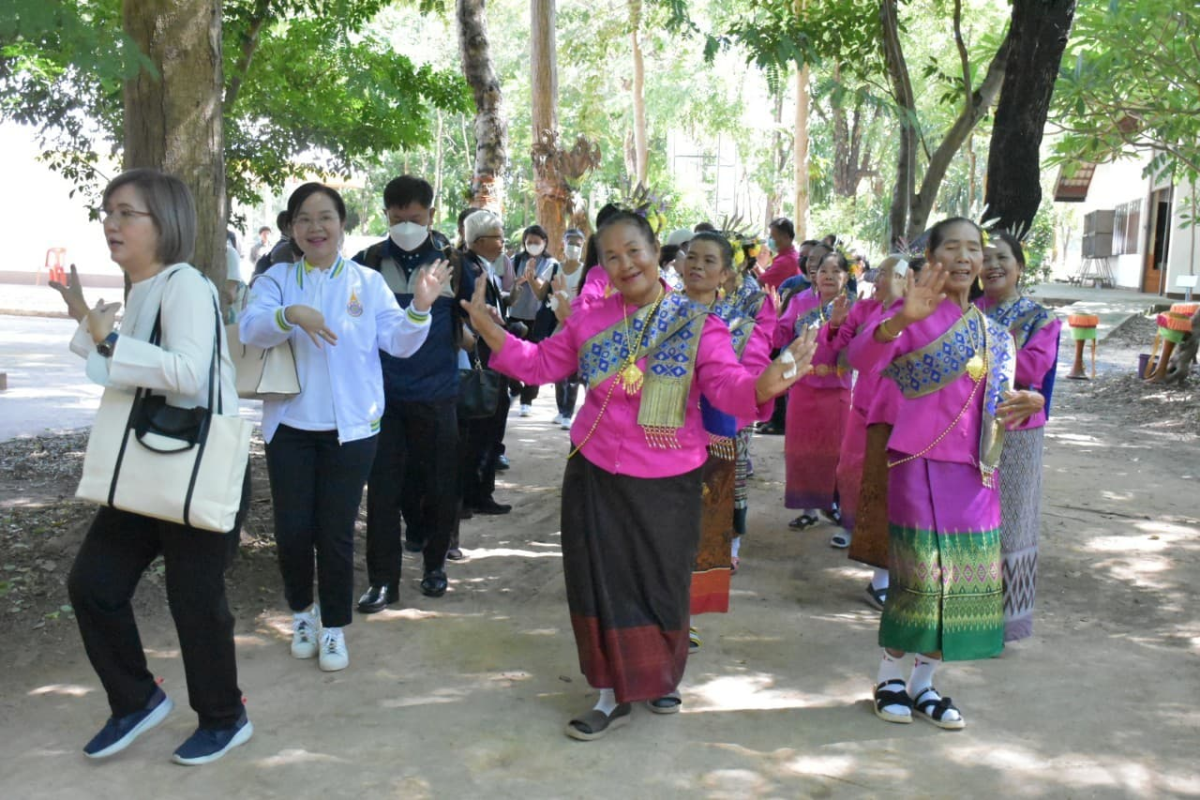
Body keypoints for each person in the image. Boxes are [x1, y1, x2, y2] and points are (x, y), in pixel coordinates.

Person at [458, 208, 818, 740]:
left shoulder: (701, 325)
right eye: (612, 256)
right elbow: (539, 365)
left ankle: (659, 675)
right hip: (594, 469)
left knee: (662, 581)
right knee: (599, 581)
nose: (626, 264)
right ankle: (609, 693)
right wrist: (493, 335)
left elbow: (728, 389)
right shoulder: (590, 319)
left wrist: (768, 384)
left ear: (655, 254)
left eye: (635, 251)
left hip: (669, 477)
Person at [53, 168, 253, 765]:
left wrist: (109, 342)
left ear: (163, 222)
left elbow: (188, 374)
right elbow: (117, 371)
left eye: (125, 212)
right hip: (145, 470)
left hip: (193, 467)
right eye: (107, 212)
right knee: (93, 585)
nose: (110, 224)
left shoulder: (185, 284)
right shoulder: (139, 291)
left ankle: (224, 717)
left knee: (194, 599)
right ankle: (136, 699)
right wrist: (90, 324)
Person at [240, 182, 448, 670]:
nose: (317, 228)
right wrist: (290, 313)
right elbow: (251, 328)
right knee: (292, 531)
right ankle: (302, 614)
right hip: (289, 426)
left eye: (326, 217)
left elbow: (398, 343)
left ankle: (333, 627)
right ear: (292, 228)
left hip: (352, 431)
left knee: (334, 532)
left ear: (342, 225)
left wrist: (420, 307)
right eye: (305, 219)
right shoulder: (276, 280)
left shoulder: (365, 282)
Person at [851, 217, 1038, 730]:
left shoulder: (996, 335)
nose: (964, 256)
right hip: (919, 463)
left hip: (978, 474)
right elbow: (860, 355)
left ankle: (923, 684)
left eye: (973, 248)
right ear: (931, 256)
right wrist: (899, 318)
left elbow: (1010, 406)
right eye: (951, 246)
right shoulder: (912, 315)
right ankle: (889, 675)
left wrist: (1034, 403)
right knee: (918, 577)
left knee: (963, 584)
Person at [351, 176, 472, 613]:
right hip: (381, 399)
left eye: (414, 218)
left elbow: (470, 321)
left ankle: (435, 566)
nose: (406, 225)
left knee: (440, 485)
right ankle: (382, 581)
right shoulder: (364, 263)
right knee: (382, 491)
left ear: (430, 216)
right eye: (397, 218)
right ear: (386, 216)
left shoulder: (455, 265)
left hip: (437, 395)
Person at [682, 232, 775, 650]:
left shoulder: (739, 323)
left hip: (715, 432)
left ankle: (680, 615)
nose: (697, 266)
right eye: (691, 257)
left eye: (709, 260)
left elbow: (750, 373)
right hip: (658, 436)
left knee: (701, 524)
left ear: (725, 274)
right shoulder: (656, 311)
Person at [977, 231, 1060, 642]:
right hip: (963, 429)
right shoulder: (964, 311)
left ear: (1019, 266)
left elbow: (1031, 369)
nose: (992, 265)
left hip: (1017, 434)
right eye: (985, 257)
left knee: (1011, 519)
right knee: (970, 518)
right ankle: (964, 610)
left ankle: (1004, 622)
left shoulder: (1040, 318)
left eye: (1002, 258)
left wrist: (986, 351)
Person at [825, 255, 907, 605]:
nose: (878, 278)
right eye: (880, 272)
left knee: (889, 490)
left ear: (907, 278)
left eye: (888, 273)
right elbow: (841, 353)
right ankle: (851, 527)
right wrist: (836, 325)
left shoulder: (914, 313)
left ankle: (883, 577)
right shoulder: (866, 308)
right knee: (852, 472)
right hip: (865, 406)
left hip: (898, 412)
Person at [774, 250, 854, 531]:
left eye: (836, 271)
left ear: (847, 276)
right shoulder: (799, 301)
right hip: (803, 387)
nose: (829, 276)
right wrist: (774, 316)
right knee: (802, 450)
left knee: (836, 452)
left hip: (838, 390)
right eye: (823, 271)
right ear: (814, 276)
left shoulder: (856, 306)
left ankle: (834, 505)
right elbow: (780, 335)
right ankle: (808, 508)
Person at [458, 210, 515, 516]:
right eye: (497, 236)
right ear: (479, 241)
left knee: (492, 426)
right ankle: (472, 493)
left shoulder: (487, 267)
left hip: (494, 358)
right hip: (478, 361)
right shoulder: (466, 268)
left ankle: (482, 491)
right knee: (479, 427)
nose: (502, 242)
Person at [507, 224, 561, 416]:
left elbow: (544, 289)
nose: (532, 245)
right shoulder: (515, 260)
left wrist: (532, 277)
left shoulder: (550, 263)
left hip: (537, 318)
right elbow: (507, 282)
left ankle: (527, 399)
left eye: (536, 242)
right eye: (529, 242)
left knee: (534, 359)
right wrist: (518, 280)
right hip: (514, 315)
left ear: (544, 242)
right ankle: (515, 387)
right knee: (510, 356)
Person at [551, 228, 587, 429]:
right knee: (558, 371)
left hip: (578, 324)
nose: (573, 247)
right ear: (563, 244)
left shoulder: (585, 272)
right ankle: (560, 409)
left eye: (578, 244)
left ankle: (568, 412)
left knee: (573, 371)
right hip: (559, 323)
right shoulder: (556, 268)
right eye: (570, 242)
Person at [758, 217, 800, 291]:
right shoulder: (792, 255)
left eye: (772, 237)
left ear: (786, 237)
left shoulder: (786, 261)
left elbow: (761, 283)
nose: (770, 240)